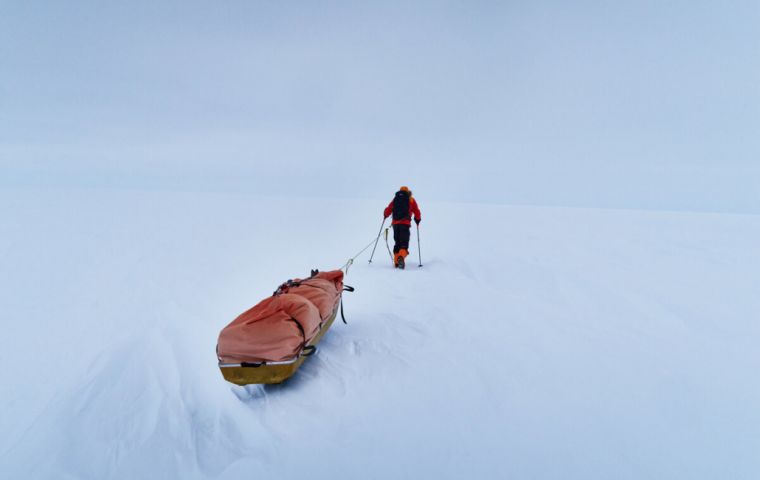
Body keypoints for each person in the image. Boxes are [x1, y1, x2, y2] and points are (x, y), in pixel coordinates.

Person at [383, 186, 421, 269]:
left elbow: (389, 209)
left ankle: (397, 262)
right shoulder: (411, 199)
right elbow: (417, 211)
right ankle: (401, 257)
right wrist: (417, 219)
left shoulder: (395, 199)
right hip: (405, 224)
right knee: (404, 244)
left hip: (395, 225)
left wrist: (385, 214)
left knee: (397, 243)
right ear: (408, 191)